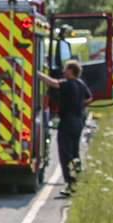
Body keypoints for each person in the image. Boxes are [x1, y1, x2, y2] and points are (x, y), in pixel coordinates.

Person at [42, 58, 93, 194]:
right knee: (75, 152)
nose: (63, 71)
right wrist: (80, 105)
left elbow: (53, 83)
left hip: (67, 122)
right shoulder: (81, 83)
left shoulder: (68, 83)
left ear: (71, 71)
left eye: (65, 69)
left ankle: (70, 184)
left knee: (65, 154)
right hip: (78, 121)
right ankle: (77, 179)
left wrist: (38, 73)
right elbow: (89, 98)